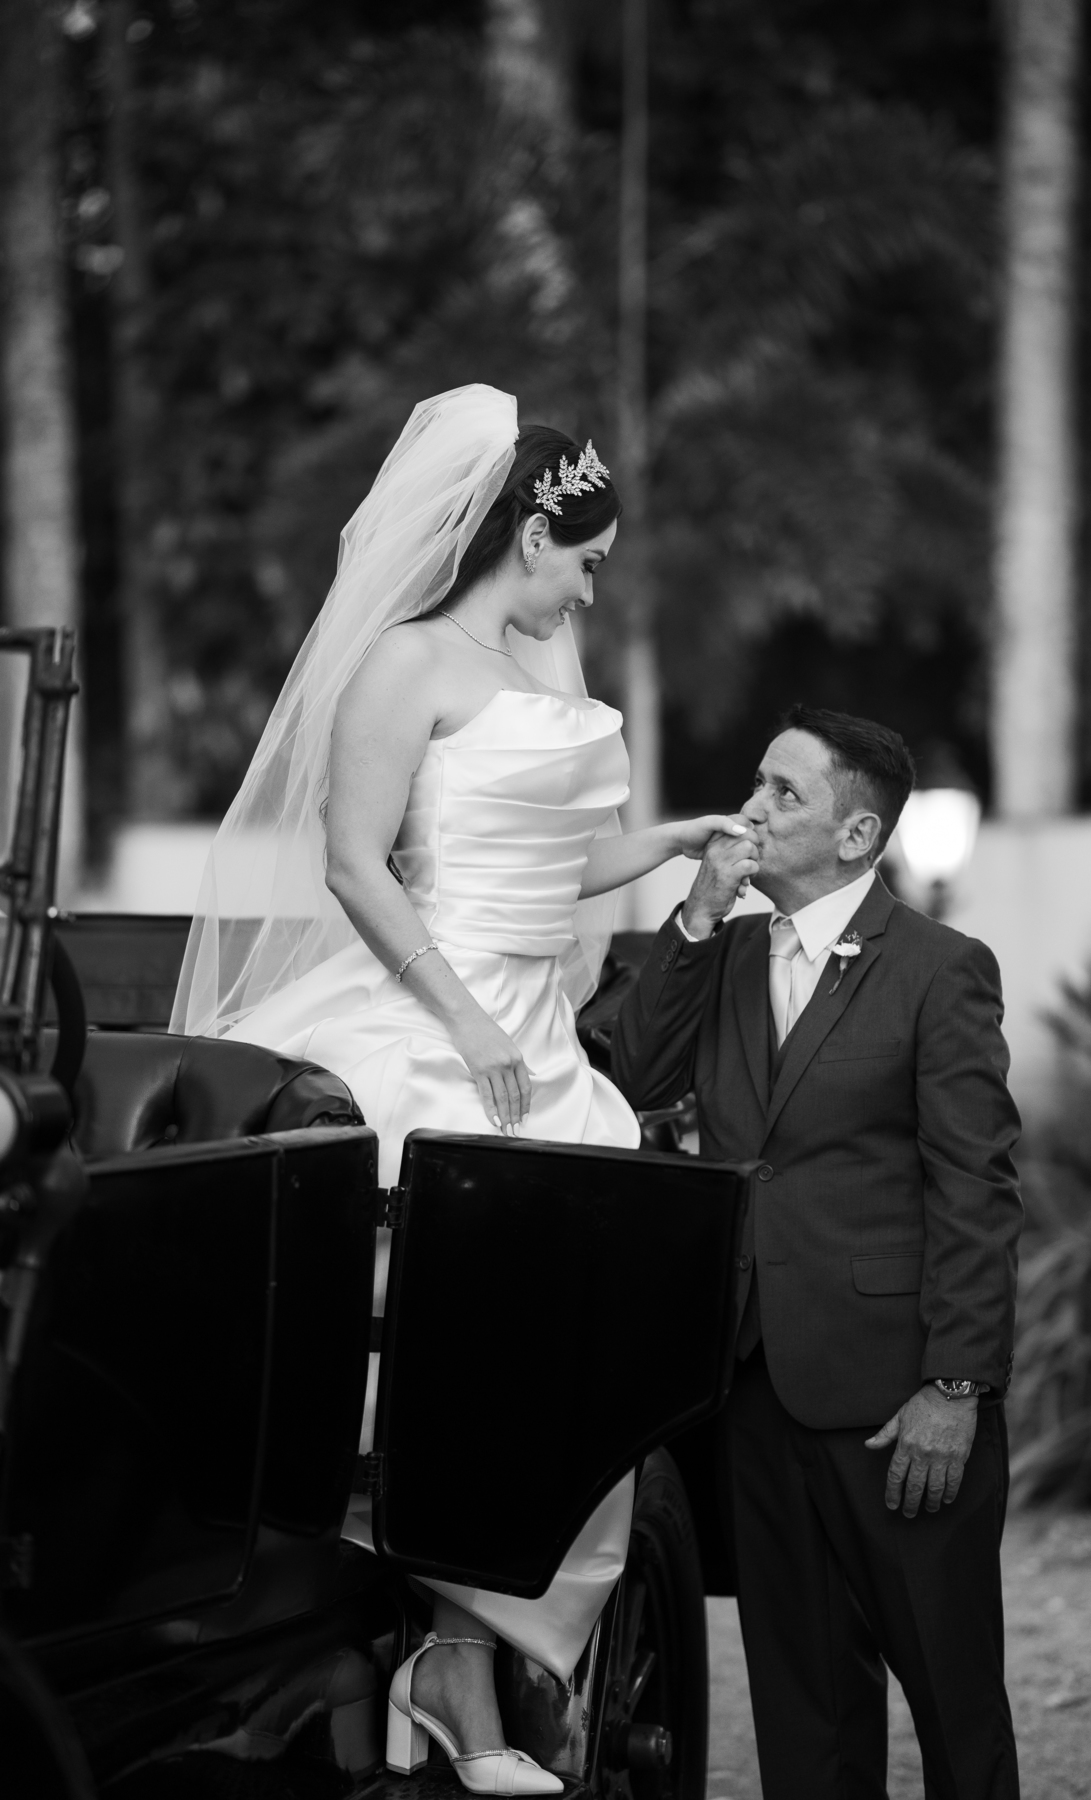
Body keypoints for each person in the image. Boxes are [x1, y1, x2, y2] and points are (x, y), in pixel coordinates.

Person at [171, 385, 746, 1796]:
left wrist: (675, 840)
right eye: (587, 562)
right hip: (436, 1011)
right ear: (533, 534)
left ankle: (463, 1652)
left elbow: (563, 868)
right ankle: (447, 1659)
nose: (592, 590)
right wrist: (465, 1019)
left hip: (536, 1029)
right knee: (440, 1324)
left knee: (566, 1351)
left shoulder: (537, 672)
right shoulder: (405, 663)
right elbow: (355, 862)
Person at [611, 705, 1024, 1800]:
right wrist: (698, 917)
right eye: (757, 781)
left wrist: (956, 1386)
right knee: (807, 1722)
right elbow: (634, 1079)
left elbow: (977, 1188)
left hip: (900, 1403)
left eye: (783, 792)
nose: (751, 808)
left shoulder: (940, 968)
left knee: (956, 1711)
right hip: (756, 1392)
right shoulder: (726, 953)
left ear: (857, 834)